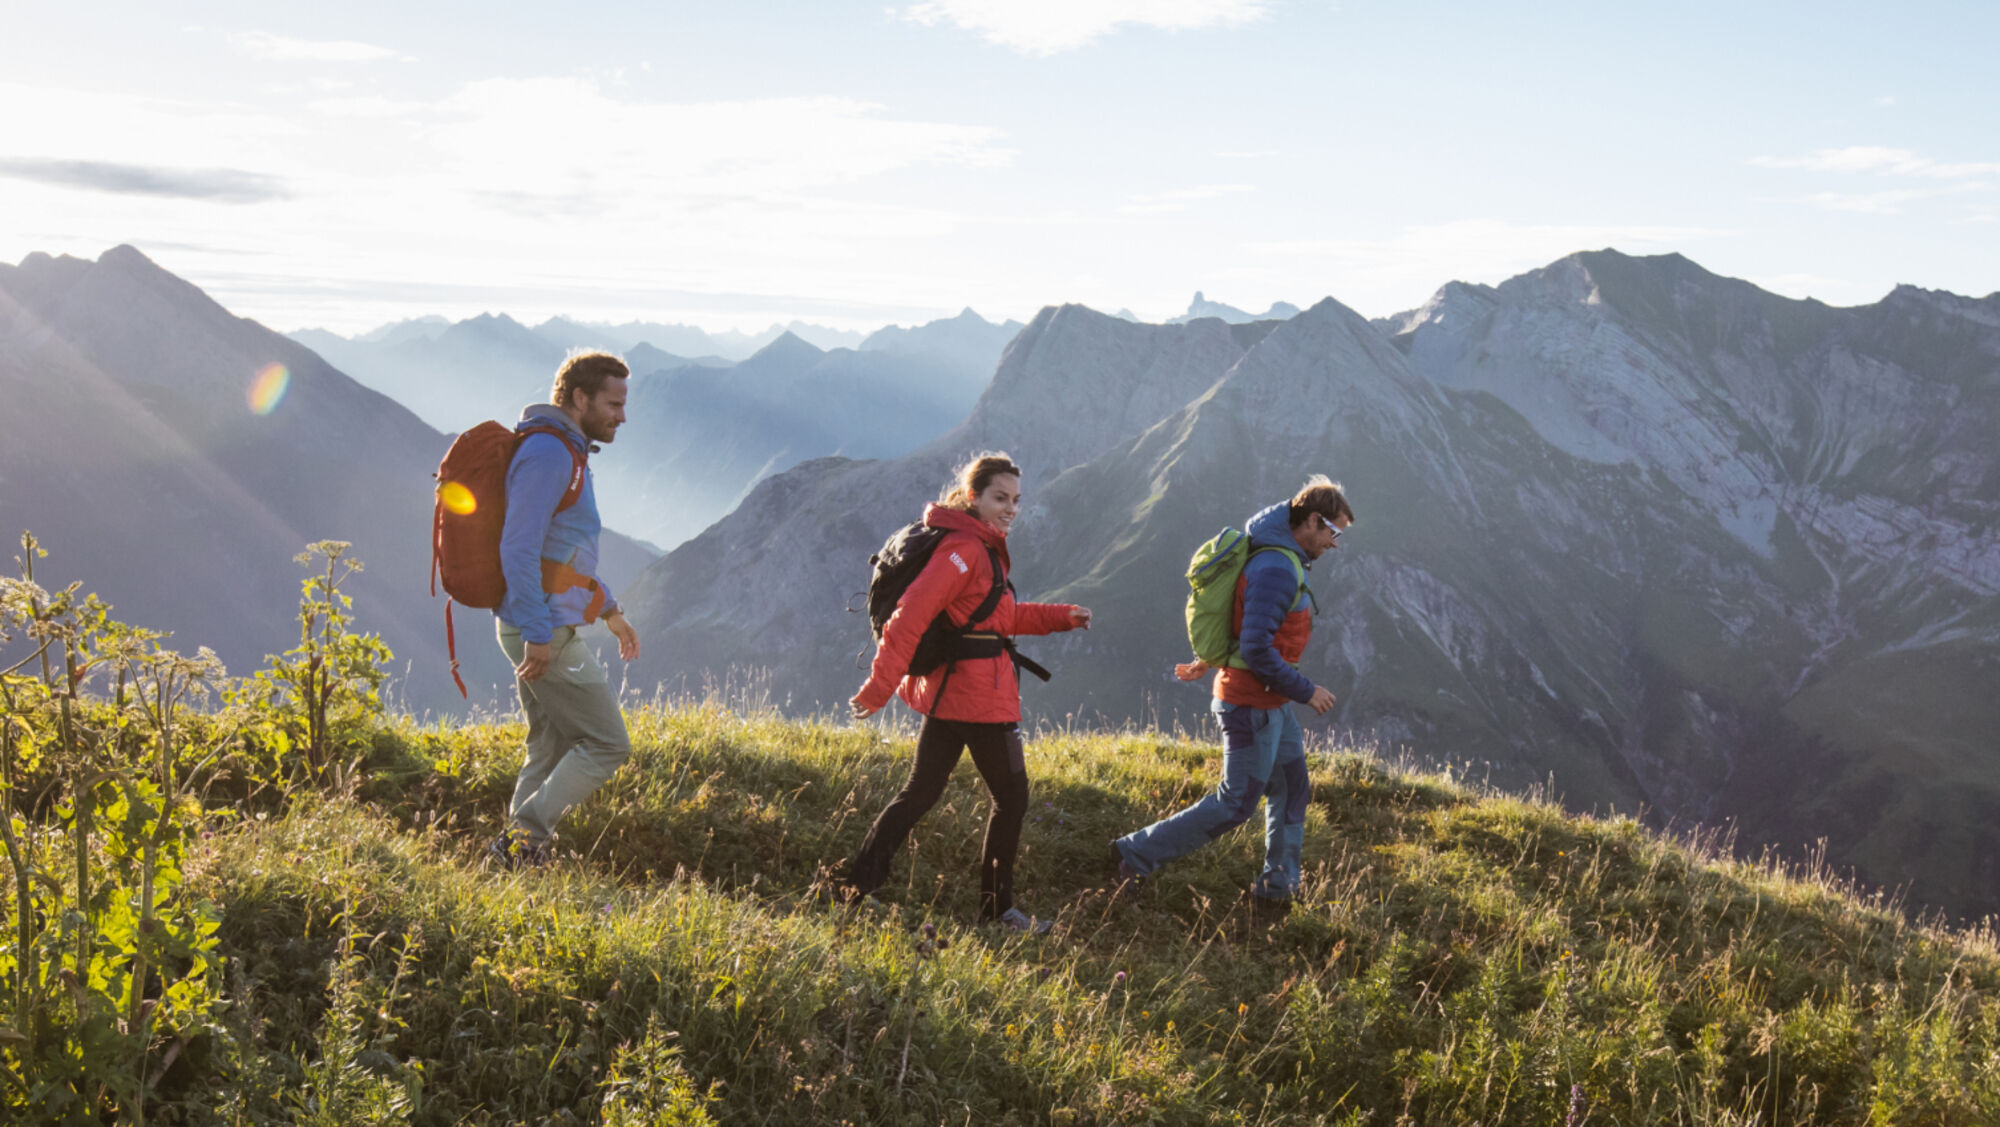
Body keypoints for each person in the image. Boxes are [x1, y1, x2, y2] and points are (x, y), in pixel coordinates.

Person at [846, 452, 1092, 931]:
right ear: (973, 496)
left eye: (1016, 500)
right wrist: (878, 688)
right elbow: (910, 616)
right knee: (1011, 800)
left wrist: (1062, 617)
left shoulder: (977, 546)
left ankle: (854, 888)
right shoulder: (964, 551)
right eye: (1000, 498)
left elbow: (997, 618)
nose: (1011, 509)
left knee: (919, 793)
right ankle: (997, 913)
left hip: (954, 696)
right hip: (978, 700)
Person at [1111, 476, 1354, 915]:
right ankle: (1133, 854)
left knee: (1291, 787)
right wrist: (1307, 691)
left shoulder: (1280, 557)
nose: (1334, 544)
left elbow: (1247, 628)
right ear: (1313, 521)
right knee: (1236, 802)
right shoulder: (1277, 568)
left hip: (1271, 703)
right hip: (1250, 705)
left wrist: (1211, 660)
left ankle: (1278, 890)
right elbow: (1257, 648)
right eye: (1333, 532)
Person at [487, 350, 642, 870]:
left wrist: (609, 609)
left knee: (549, 745)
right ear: (580, 398)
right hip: (542, 628)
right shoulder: (550, 455)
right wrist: (537, 631)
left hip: (538, 622)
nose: (622, 416)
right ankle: (522, 841)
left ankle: (513, 862)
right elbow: (519, 548)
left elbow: (563, 552)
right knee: (607, 743)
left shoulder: (565, 450)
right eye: (613, 404)